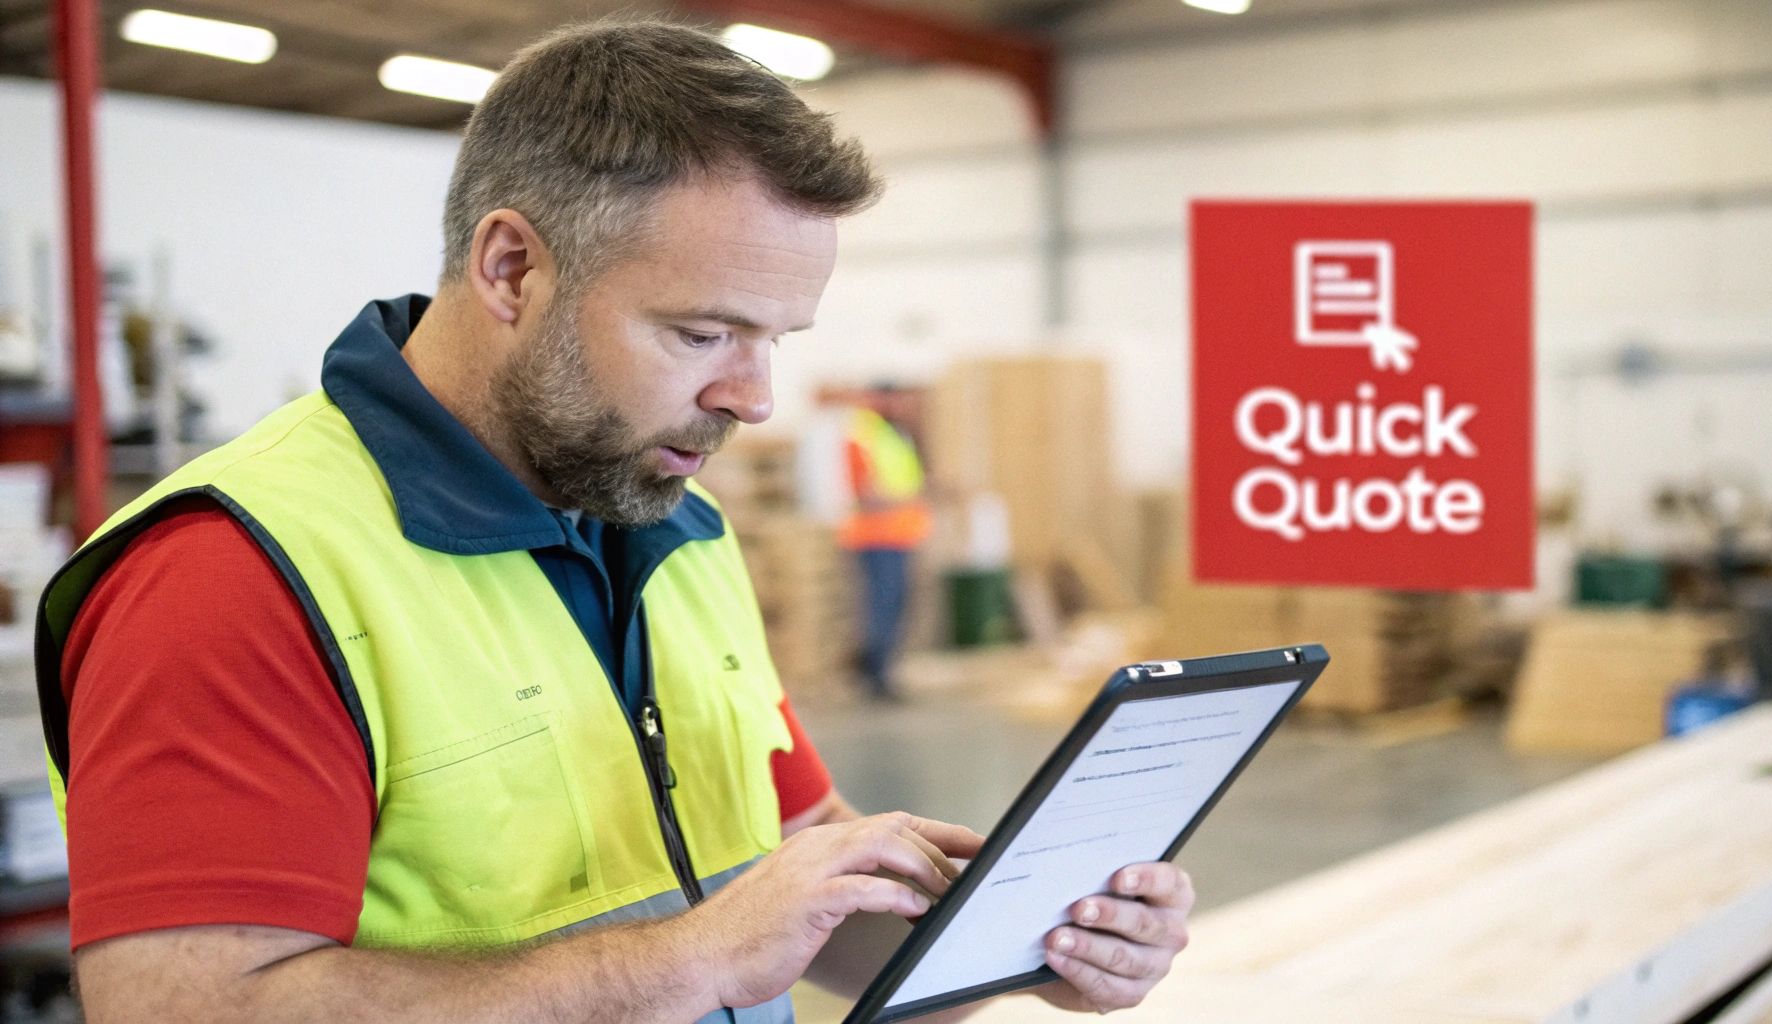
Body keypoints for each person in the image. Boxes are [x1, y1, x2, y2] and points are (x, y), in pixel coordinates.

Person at [34, 19, 1196, 1023]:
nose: (755, 395)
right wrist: (691, 958)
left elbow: (795, 873)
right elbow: (185, 1006)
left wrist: (1025, 933)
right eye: (702, 333)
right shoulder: (238, 573)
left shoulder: (668, 523)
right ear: (508, 268)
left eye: (772, 340)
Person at [839, 386, 932, 701]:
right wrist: (913, 497)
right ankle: (875, 675)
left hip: (898, 535)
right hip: (876, 537)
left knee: (893, 606)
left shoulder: (894, 434)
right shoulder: (862, 435)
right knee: (882, 607)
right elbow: (867, 496)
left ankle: (880, 671)